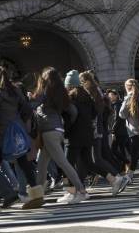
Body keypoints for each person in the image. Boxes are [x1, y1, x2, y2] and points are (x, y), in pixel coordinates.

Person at [0, 66, 44, 209]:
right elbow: (27, 109)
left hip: (0, 134)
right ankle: (37, 195)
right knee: (24, 162)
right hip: (16, 131)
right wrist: (19, 121)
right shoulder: (15, 90)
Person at [32, 67, 91, 203]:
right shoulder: (61, 93)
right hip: (58, 130)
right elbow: (73, 111)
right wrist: (65, 125)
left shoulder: (45, 91)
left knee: (63, 163)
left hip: (48, 131)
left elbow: (33, 105)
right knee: (42, 165)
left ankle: (82, 190)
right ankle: (37, 196)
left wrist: (30, 99)